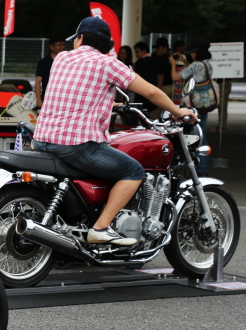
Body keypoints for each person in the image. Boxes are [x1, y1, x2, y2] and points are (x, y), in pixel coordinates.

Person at [33, 17, 193, 246]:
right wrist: (177, 110)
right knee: (134, 171)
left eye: (75, 38)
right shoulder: (107, 63)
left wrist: (111, 105)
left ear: (81, 38)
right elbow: (152, 93)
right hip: (76, 145)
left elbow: (77, 94)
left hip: (42, 140)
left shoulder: (62, 58)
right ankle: (101, 227)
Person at [169, 38, 214, 176]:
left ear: (197, 53)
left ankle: (199, 168)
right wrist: (184, 60)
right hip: (203, 103)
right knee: (202, 133)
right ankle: (202, 167)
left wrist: (173, 64)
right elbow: (195, 71)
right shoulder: (207, 64)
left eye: (193, 52)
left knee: (194, 135)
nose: (192, 55)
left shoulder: (195, 65)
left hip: (192, 104)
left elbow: (175, 76)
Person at [35, 37, 66, 108]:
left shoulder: (67, 61)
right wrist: (38, 99)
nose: (62, 47)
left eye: (63, 45)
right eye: (59, 45)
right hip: (47, 97)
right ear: (51, 47)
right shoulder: (43, 62)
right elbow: (38, 81)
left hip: (63, 97)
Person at [132, 41, 157, 111]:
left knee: (137, 113)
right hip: (153, 90)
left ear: (144, 51)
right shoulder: (155, 60)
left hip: (141, 93)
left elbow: (135, 78)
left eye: (137, 52)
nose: (135, 54)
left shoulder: (140, 62)